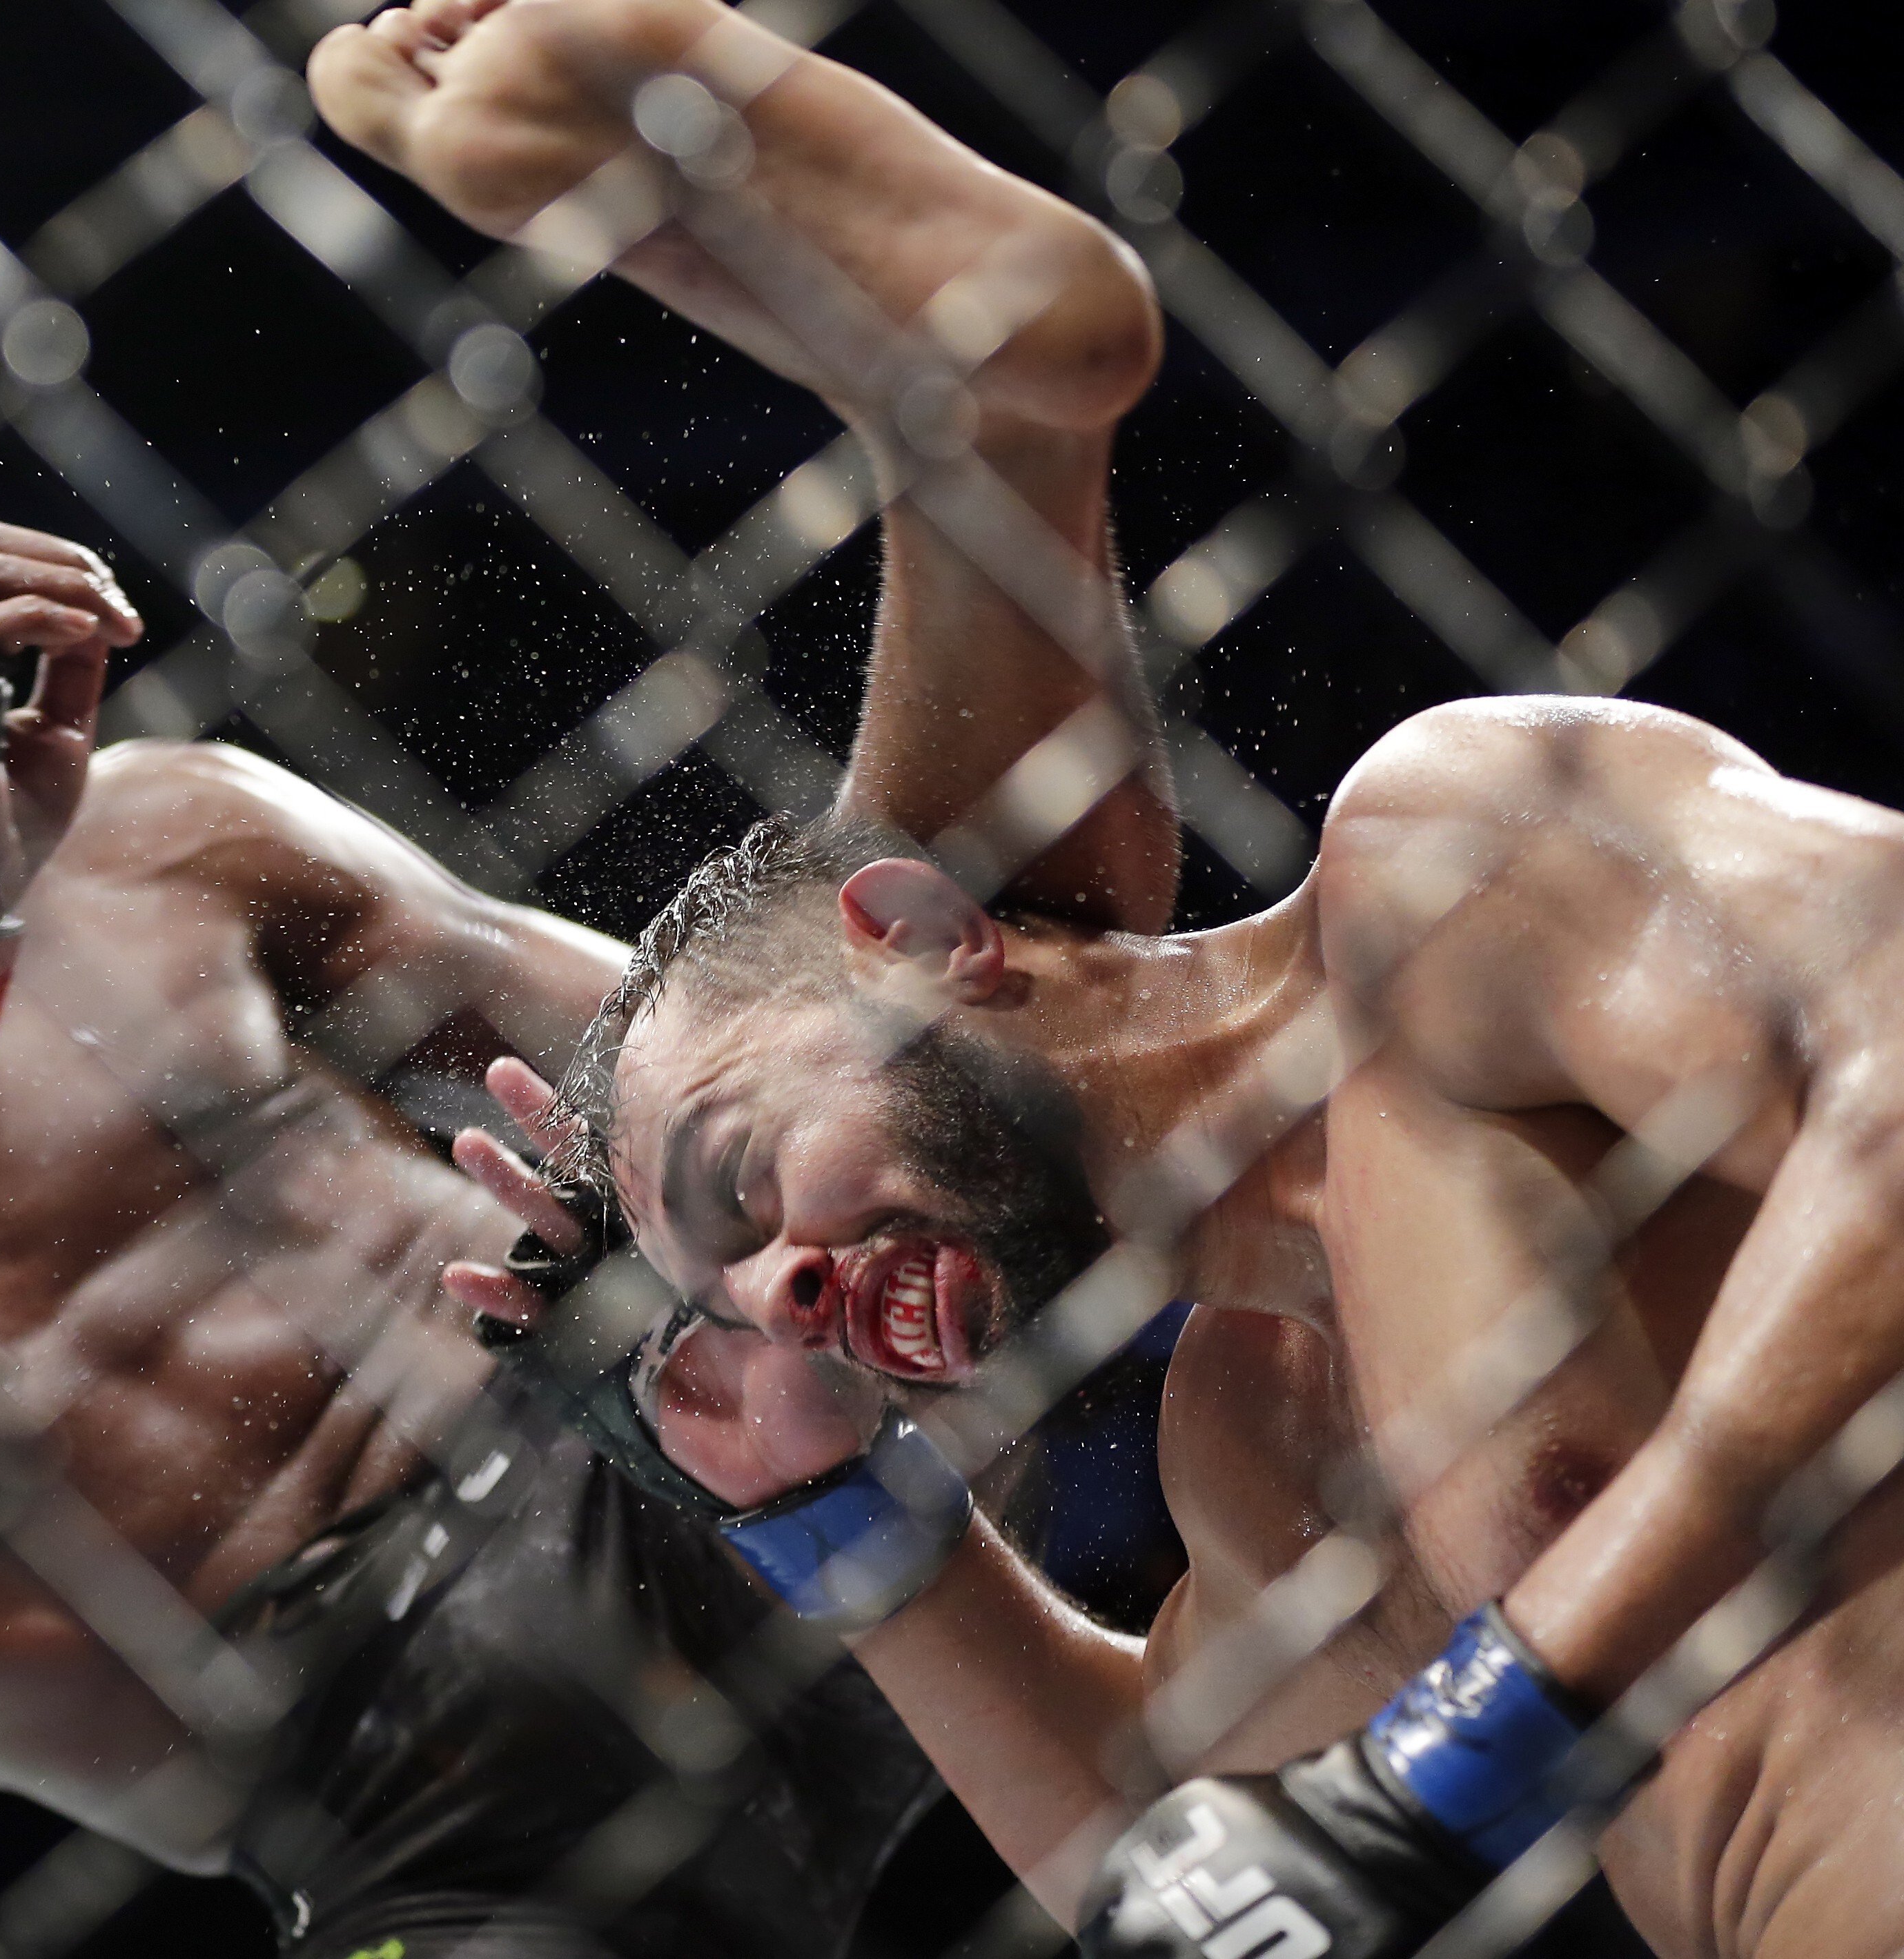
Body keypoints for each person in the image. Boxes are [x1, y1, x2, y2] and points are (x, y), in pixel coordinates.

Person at [0, 0, 1177, 1945]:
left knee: (911, 1037)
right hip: (415, 1796)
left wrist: (749, 1173)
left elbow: (697, 1040)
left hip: (686, 1434)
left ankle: (972, 439)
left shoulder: (154, 833)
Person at [344, 5, 1904, 1958]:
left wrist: (1490, 1726)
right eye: (731, 1293)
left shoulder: (1451, 869)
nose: (783, 1294)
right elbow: (1181, 1872)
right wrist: (823, 1513)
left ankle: (979, 402)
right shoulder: (1254, 1427)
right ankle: (981, 411)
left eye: (746, 1184)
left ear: (920, 934)